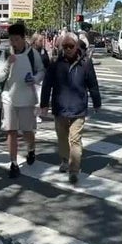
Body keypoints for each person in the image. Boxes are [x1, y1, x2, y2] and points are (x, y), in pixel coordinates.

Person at [40, 32, 101, 184]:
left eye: (70, 46)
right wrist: (44, 104)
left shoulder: (86, 63)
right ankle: (64, 159)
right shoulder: (55, 64)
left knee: (75, 139)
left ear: (76, 47)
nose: (67, 49)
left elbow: (92, 84)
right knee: (61, 137)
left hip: (78, 108)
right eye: (65, 46)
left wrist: (97, 102)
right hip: (60, 107)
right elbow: (47, 85)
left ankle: (74, 170)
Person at [0, 23, 43, 178]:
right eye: (11, 40)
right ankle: (14, 163)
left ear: (23, 38)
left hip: (27, 98)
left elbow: (42, 71)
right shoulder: (6, 54)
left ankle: (31, 149)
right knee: (11, 131)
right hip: (8, 96)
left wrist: (34, 78)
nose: (13, 43)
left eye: (16, 39)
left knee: (27, 130)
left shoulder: (32, 53)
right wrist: (8, 64)